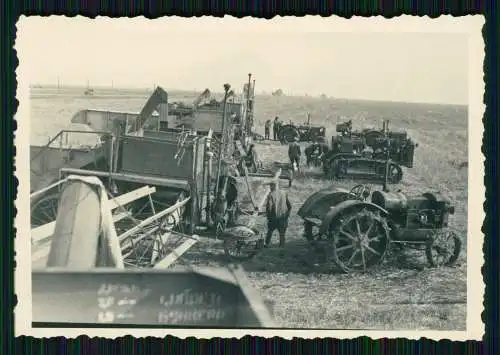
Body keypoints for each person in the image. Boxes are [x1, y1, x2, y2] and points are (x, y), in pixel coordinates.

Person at [264, 180, 292, 247]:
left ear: (274, 186)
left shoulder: (271, 195)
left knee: (270, 231)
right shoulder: (284, 193)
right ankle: (281, 246)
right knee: (282, 233)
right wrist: (287, 214)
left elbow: (269, 208)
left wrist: (268, 217)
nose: (270, 187)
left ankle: (266, 244)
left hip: (274, 218)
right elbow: (290, 206)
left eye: (271, 185)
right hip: (283, 217)